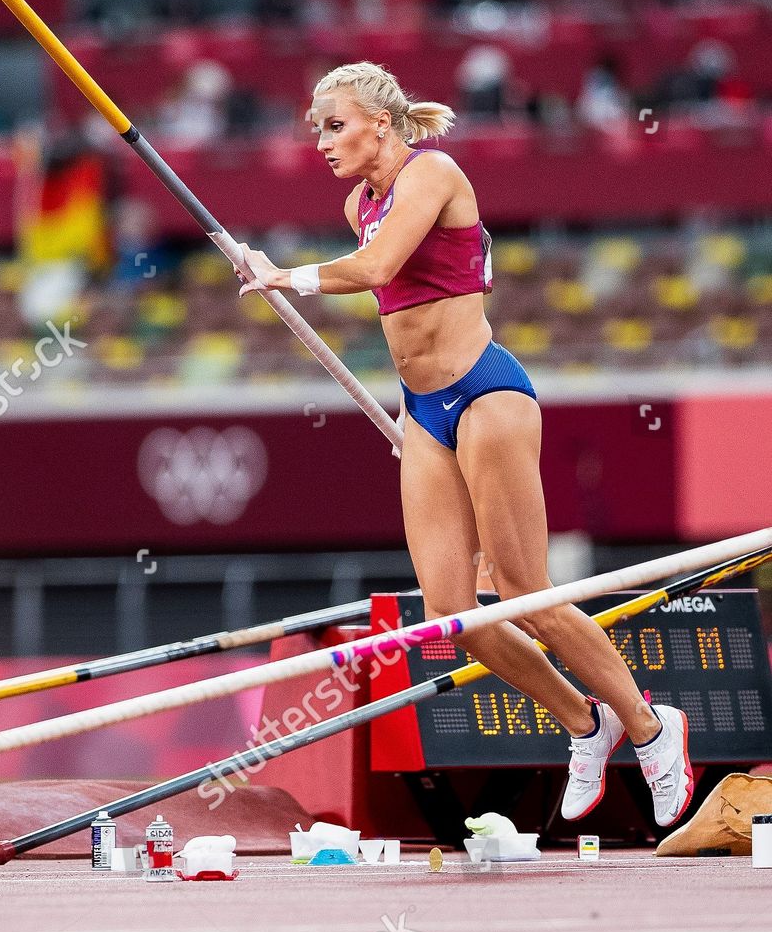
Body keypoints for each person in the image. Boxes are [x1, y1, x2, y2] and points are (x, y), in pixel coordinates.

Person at [237, 61, 693, 827]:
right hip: (424, 413)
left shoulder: (433, 173)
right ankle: (587, 724)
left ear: (380, 123)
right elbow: (392, 291)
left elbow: (379, 268)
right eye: (317, 128)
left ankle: (651, 728)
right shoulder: (360, 202)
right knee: (451, 618)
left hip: (486, 394)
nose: (322, 141)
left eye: (335, 124)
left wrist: (286, 276)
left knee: (525, 589)